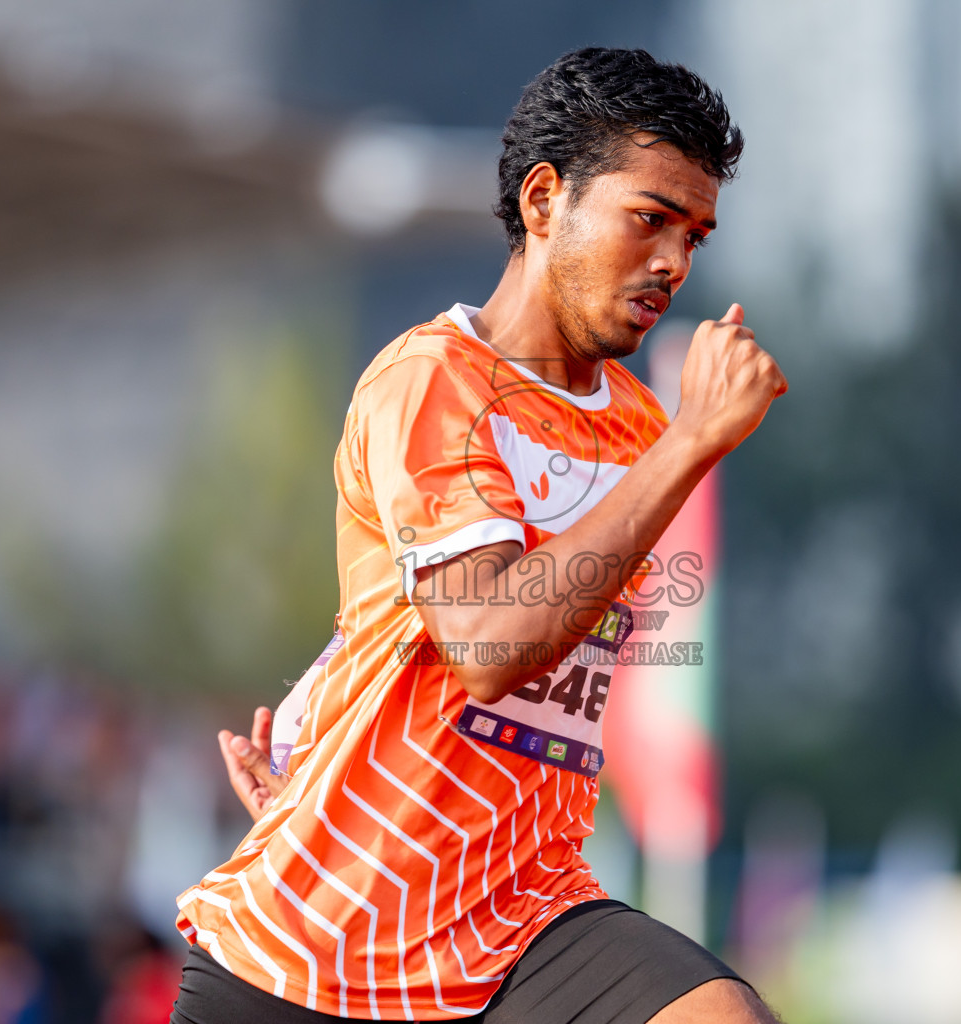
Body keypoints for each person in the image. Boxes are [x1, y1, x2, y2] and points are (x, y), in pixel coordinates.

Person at [170, 46, 788, 1024]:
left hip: (521, 918)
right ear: (545, 201)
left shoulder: (634, 423)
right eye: (650, 219)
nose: (674, 260)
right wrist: (694, 438)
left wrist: (313, 731)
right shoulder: (431, 380)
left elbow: (391, 613)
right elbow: (489, 643)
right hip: (317, 953)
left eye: (696, 236)